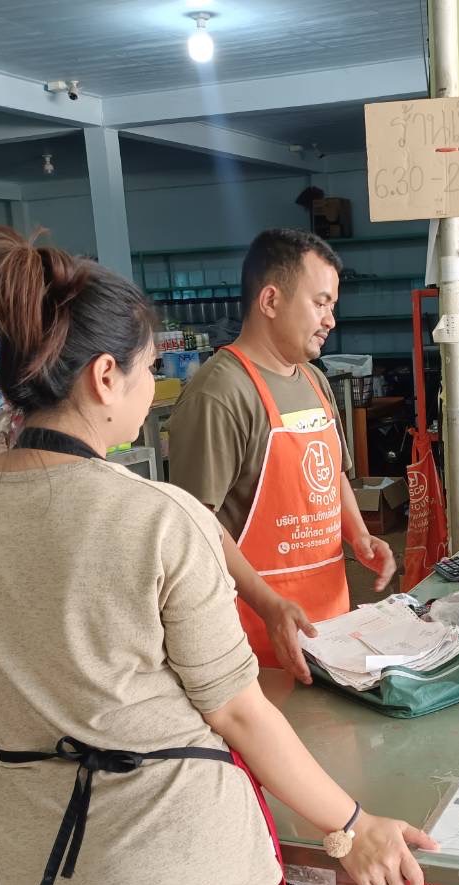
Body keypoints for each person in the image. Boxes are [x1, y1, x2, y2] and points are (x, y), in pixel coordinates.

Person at [0, 226, 435, 885]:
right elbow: (237, 712)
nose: (151, 392)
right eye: (148, 370)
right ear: (103, 376)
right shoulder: (154, 517)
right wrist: (353, 826)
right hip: (175, 879)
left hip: (47, 875)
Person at [167, 229, 396, 679]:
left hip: (328, 624)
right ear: (270, 301)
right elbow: (197, 525)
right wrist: (270, 605)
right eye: (321, 303)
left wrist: (358, 535)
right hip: (255, 636)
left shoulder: (313, 379)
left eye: (333, 306)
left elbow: (334, 474)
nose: (331, 320)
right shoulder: (220, 393)